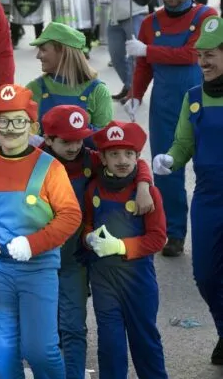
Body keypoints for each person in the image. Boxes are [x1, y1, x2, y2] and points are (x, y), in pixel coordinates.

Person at [0, 84, 82, 378]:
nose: (11, 128)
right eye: (3, 121)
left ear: (33, 126)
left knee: (41, 349)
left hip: (38, 268)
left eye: (19, 121)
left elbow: (71, 214)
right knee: (2, 349)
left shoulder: (50, 167)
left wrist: (34, 244)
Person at [40, 106, 154, 379]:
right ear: (48, 139)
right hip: (40, 259)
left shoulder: (92, 160)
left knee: (73, 326)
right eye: (65, 141)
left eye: (78, 139)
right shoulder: (36, 162)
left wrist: (143, 185)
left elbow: (132, 160)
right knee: (43, 329)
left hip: (74, 260)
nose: (73, 146)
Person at [125, 0, 216, 257]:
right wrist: (135, 94)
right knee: (166, 169)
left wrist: (148, 50)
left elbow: (192, 55)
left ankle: (212, 234)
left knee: (211, 169)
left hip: (204, 101)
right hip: (165, 105)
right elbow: (143, 66)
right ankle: (173, 232)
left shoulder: (206, 16)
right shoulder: (150, 22)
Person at [153, 15, 223, 364]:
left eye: (211, 54)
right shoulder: (194, 97)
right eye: (200, 55)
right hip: (209, 198)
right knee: (206, 274)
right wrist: (170, 158)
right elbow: (183, 143)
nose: (204, 62)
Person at [85, 121, 168, 378]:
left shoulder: (147, 193)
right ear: (103, 158)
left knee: (145, 341)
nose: (122, 160)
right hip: (103, 280)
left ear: (138, 157)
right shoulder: (93, 189)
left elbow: (158, 238)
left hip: (138, 281)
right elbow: (87, 221)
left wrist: (121, 245)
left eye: (129, 154)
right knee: (110, 345)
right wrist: (86, 237)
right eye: (114, 154)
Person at [27, 22, 112, 132]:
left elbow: (105, 141)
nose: (38, 56)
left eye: (43, 49)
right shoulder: (34, 88)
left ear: (63, 52)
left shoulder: (98, 91)